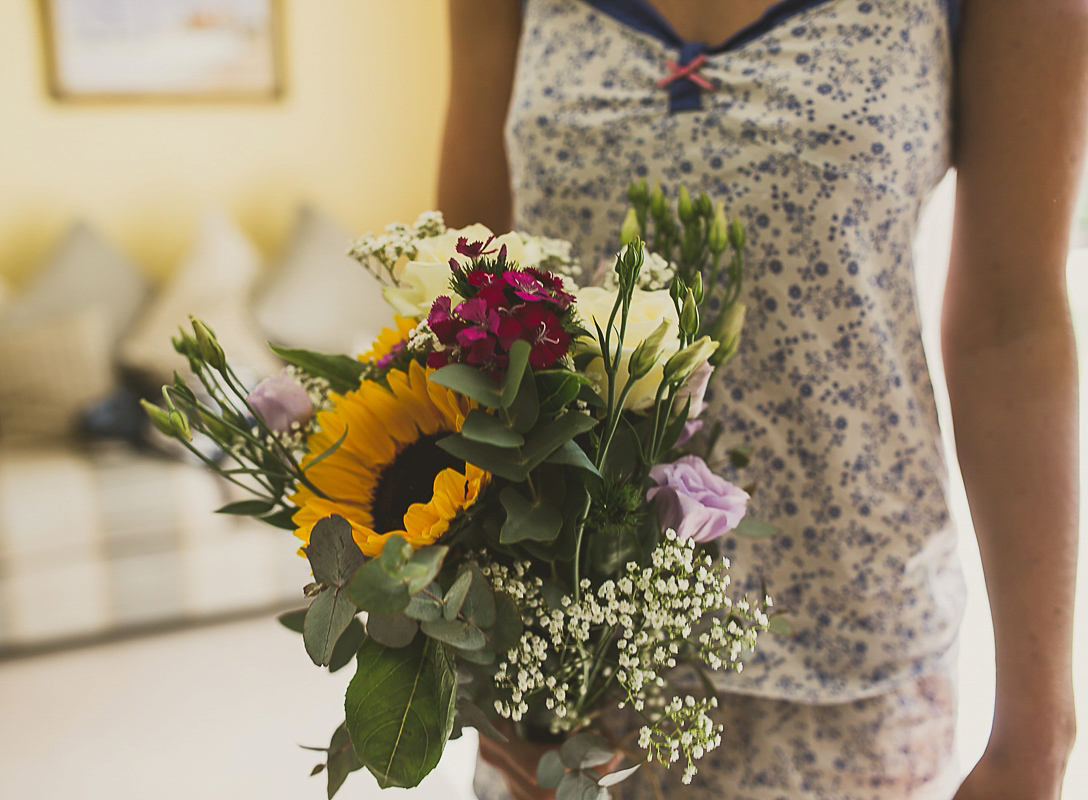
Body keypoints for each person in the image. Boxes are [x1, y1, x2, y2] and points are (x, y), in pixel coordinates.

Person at [439, 1, 1085, 798]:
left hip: (848, 669)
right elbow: (463, 301)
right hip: (566, 665)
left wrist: (1039, 732)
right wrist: (460, 636)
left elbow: (1009, 327)